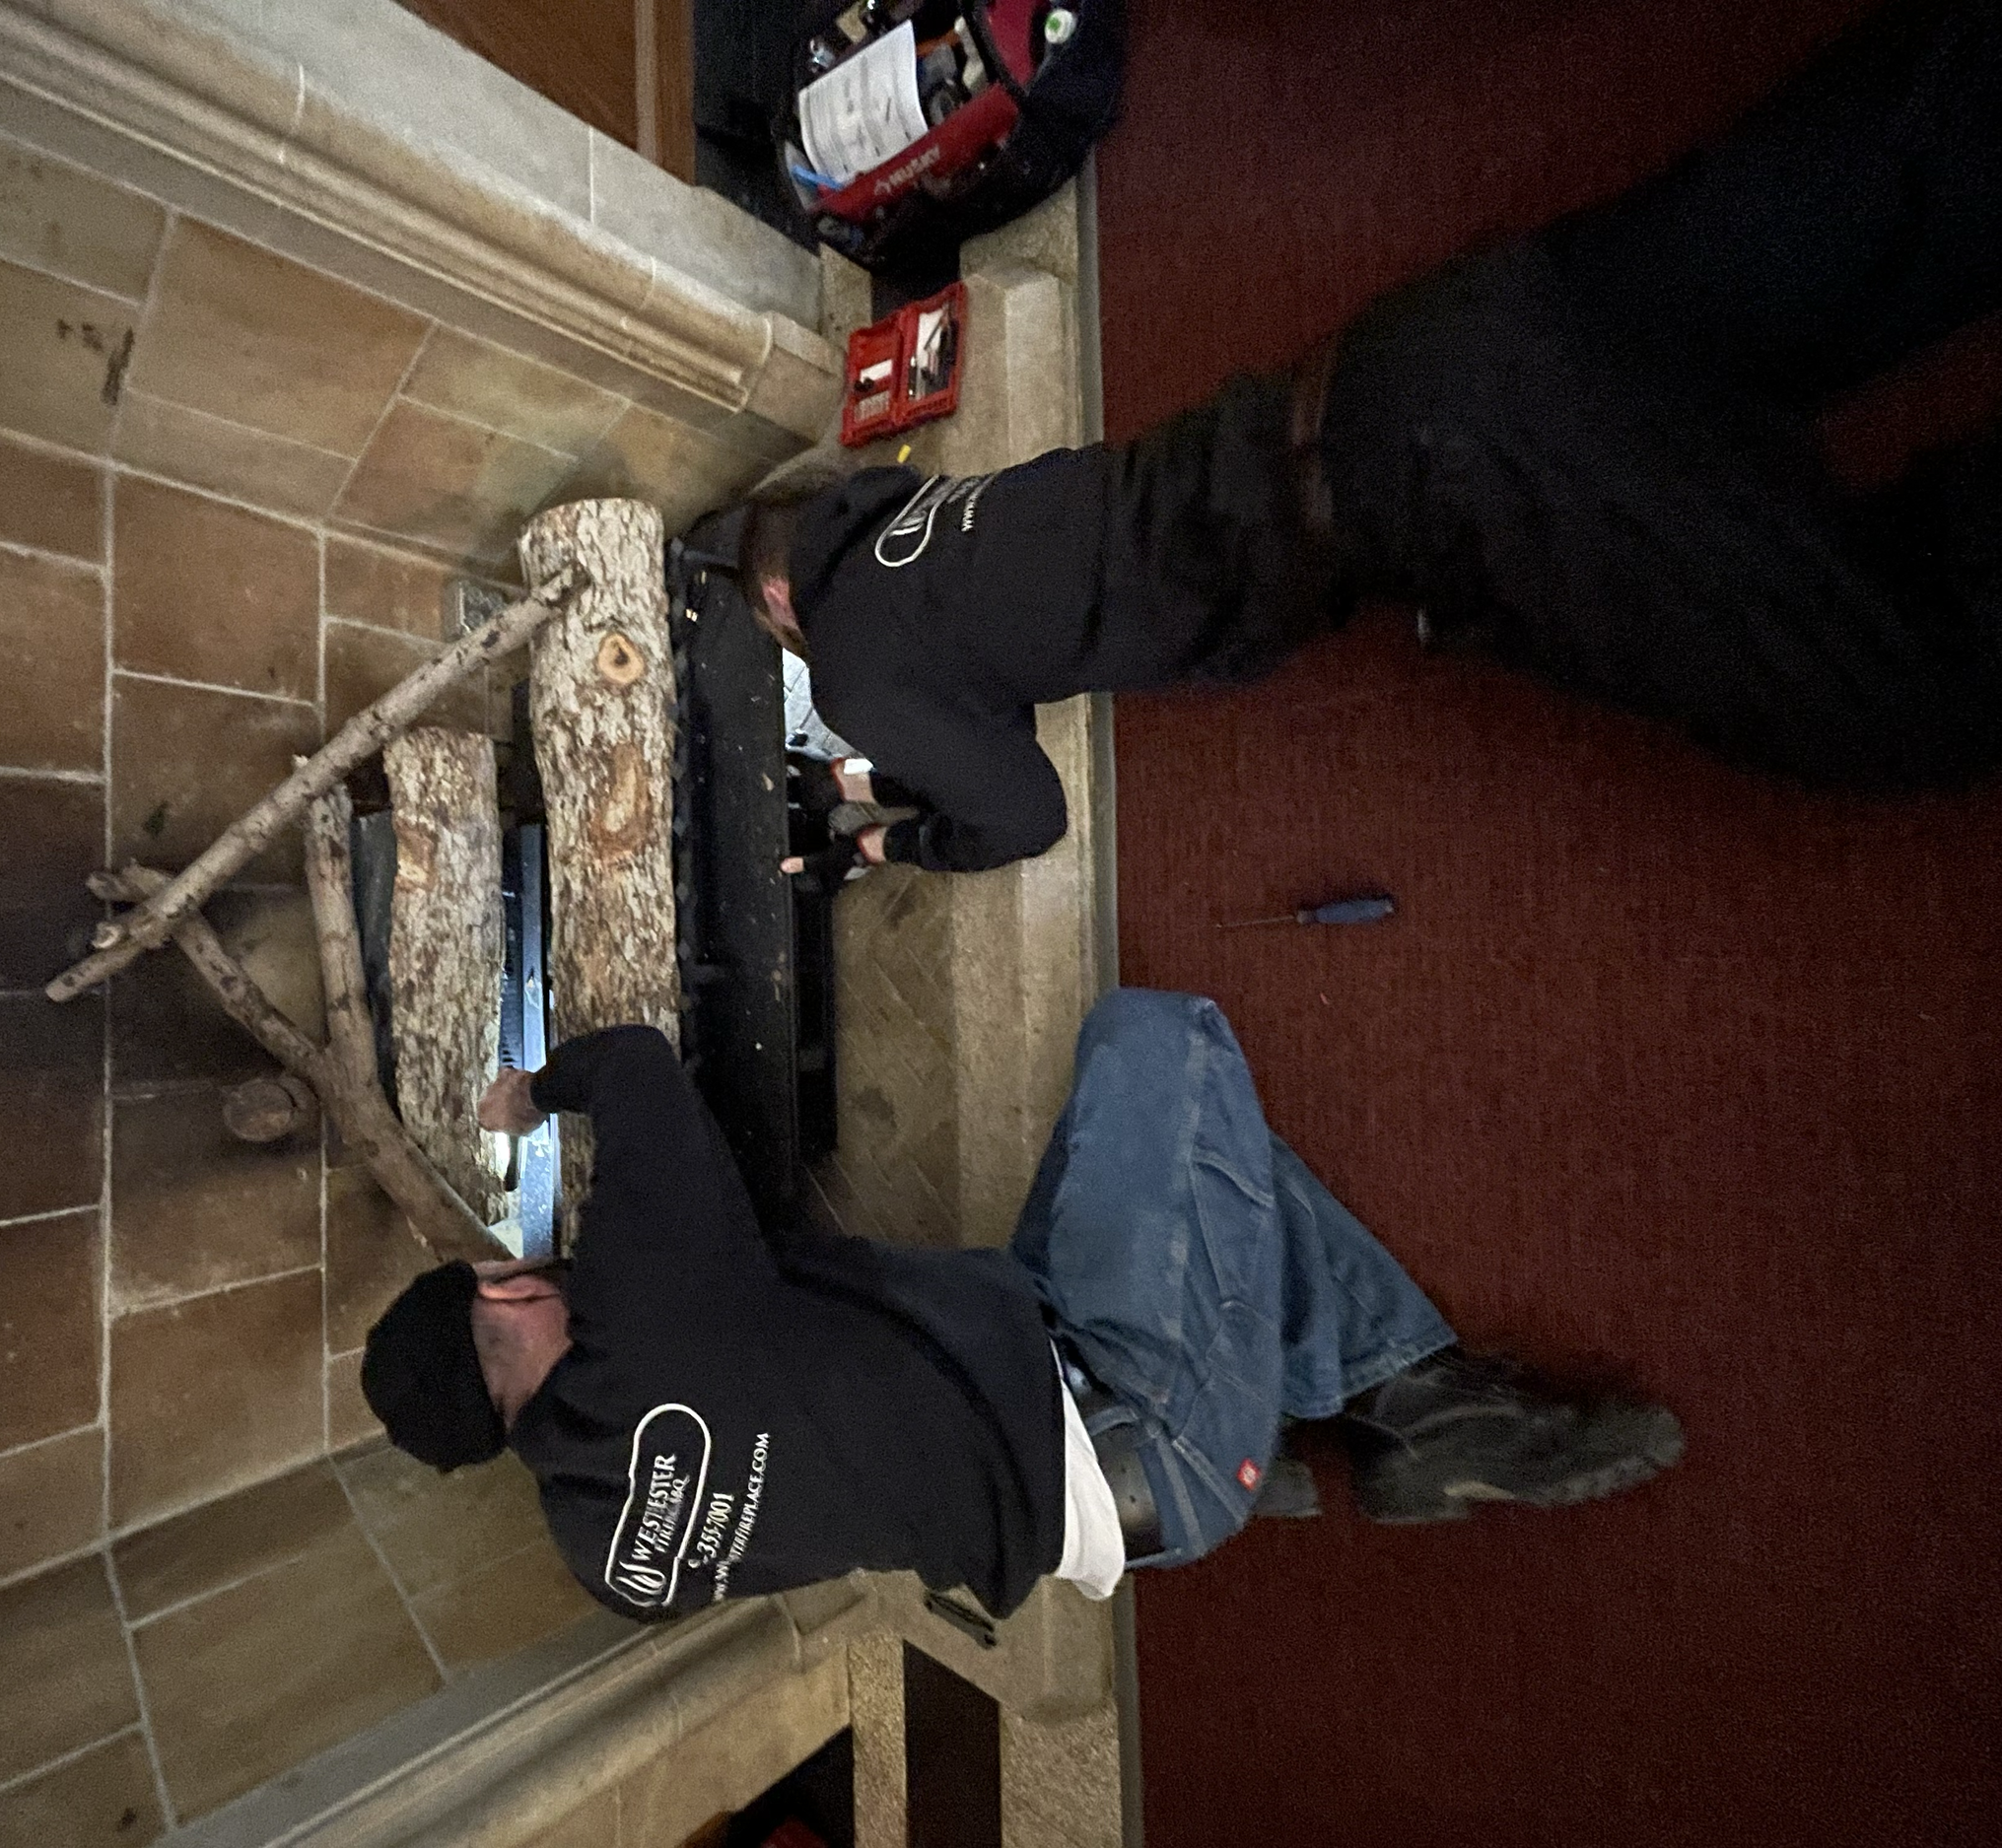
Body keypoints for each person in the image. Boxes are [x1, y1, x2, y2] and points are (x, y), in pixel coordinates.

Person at [745, 0, 2002, 875]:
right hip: (1419, 348)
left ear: (780, 601)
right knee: (1904, 167)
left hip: (1431, 475)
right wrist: (863, 779)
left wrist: (889, 842)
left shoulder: (852, 670)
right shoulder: (901, 507)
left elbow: (1023, 815)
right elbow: (976, 697)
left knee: (1905, 684)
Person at [360, 991, 1684, 1622]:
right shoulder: (646, 1313)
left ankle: (1357, 1406)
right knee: (1159, 1043)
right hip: (1136, 1415)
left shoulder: (610, 1563)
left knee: (1212, 1167)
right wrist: (531, 1092)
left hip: (1075, 1447)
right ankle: (1399, 1398)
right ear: (503, 1285)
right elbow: (637, 1067)